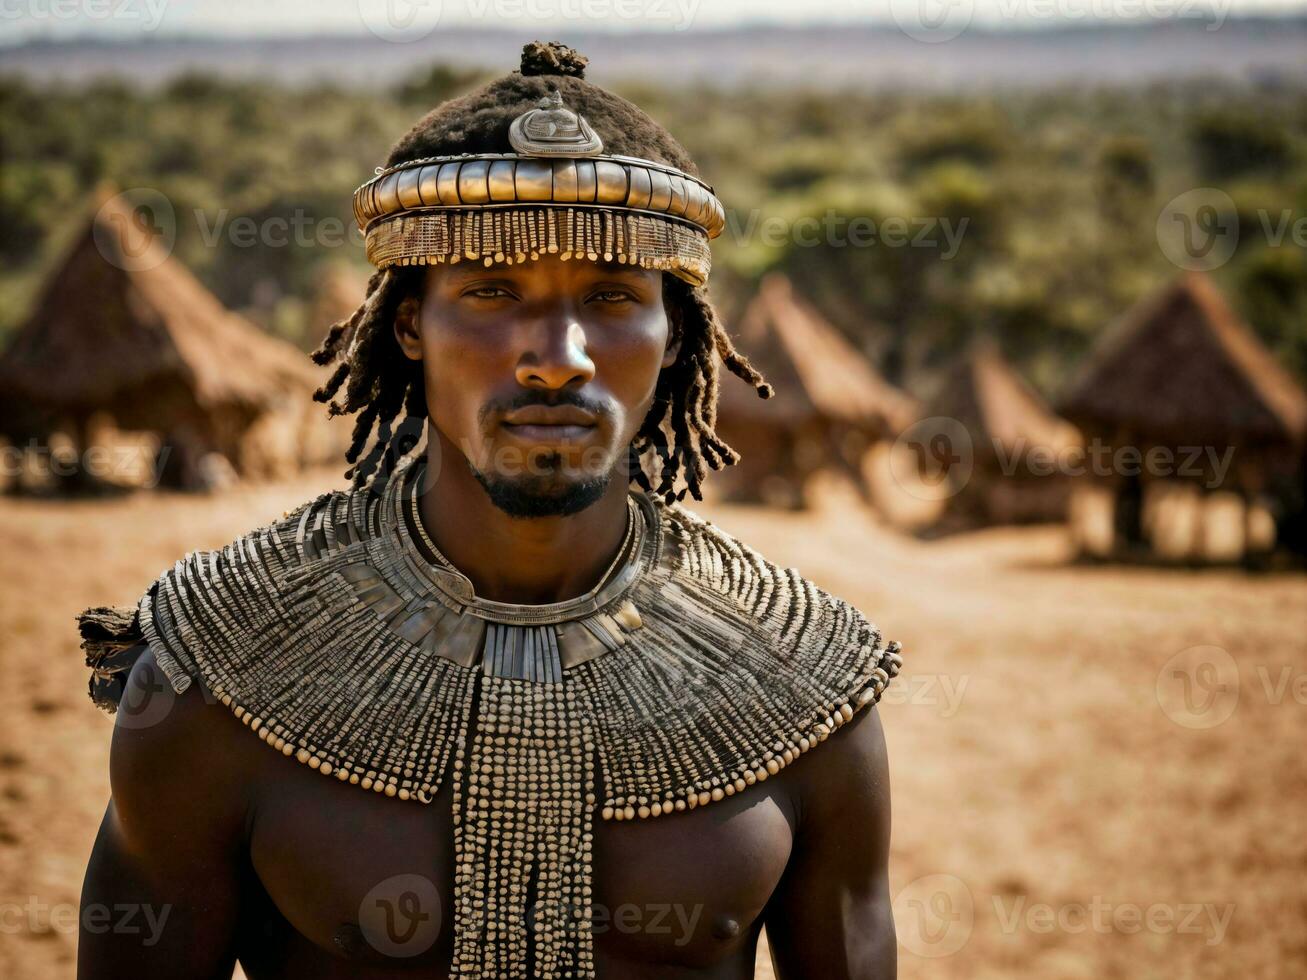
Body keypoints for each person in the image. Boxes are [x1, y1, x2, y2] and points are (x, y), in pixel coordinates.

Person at [77, 41, 904, 979]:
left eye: (611, 296)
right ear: (406, 325)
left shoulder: (800, 684)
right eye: (491, 292)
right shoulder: (214, 668)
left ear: (673, 337)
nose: (557, 356)